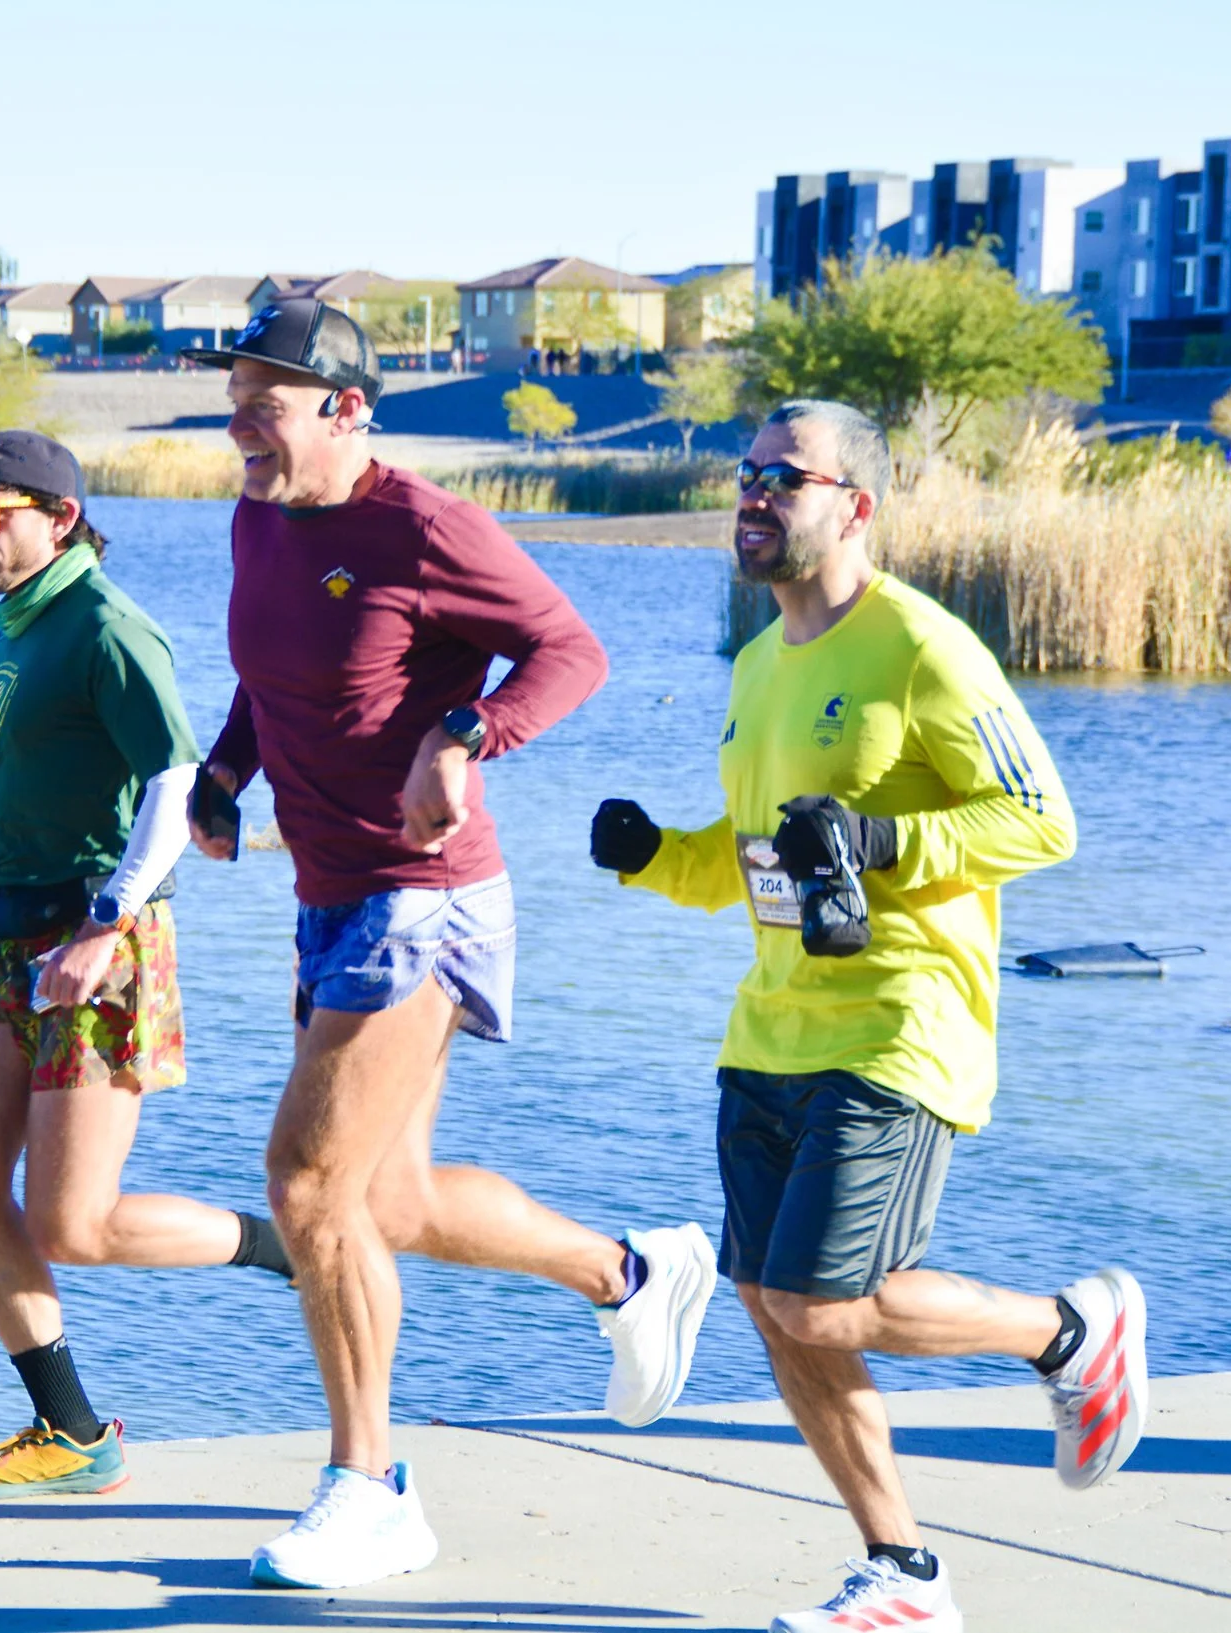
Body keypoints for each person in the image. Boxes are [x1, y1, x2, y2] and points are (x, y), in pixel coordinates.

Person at [180, 301, 718, 1591]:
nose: (242, 422)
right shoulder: (259, 519)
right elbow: (280, 673)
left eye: (268, 399)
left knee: (307, 1187)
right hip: (327, 890)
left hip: (423, 896)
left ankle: (368, 1488)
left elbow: (571, 650)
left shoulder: (425, 528)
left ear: (346, 408)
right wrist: (221, 771)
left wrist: (467, 734)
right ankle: (630, 1269)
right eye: (237, 397)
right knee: (392, 1201)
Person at [588, 400, 1149, 1633]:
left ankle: (1067, 1331)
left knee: (823, 1304)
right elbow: (759, 863)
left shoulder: (921, 647)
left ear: (854, 505)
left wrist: (887, 836)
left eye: (782, 477)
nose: (751, 494)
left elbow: (1042, 820)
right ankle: (901, 1572)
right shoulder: (754, 665)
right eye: (743, 474)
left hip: (900, 1024)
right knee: (771, 1306)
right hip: (768, 1030)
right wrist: (649, 857)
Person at [0, 430, 294, 1502]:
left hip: (91, 942)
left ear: (57, 516)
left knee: (75, 1222)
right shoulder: (15, 629)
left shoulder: (106, 625)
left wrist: (107, 921)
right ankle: (69, 1432)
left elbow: (171, 779)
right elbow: (25, 801)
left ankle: (284, 1242)